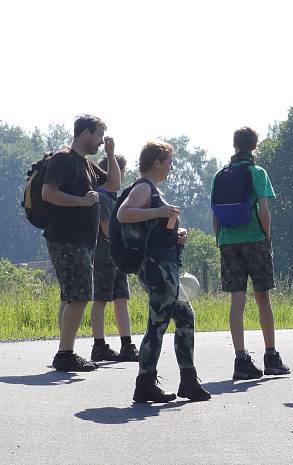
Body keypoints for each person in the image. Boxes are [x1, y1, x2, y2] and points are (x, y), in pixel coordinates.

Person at [118, 141, 210, 402]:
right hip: (157, 268)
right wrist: (160, 211)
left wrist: (175, 234)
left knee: (184, 317)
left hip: (165, 265)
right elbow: (124, 215)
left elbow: (154, 231)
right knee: (157, 324)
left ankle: (187, 380)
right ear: (156, 162)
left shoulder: (152, 189)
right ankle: (146, 383)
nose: (171, 166)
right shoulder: (143, 188)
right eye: (169, 161)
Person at [42, 114, 121, 372]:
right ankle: (65, 354)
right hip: (66, 238)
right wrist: (82, 201)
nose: (100, 141)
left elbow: (112, 183)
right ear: (85, 132)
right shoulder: (63, 158)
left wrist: (110, 155)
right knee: (79, 295)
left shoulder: (86, 163)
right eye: (99, 135)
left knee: (70, 295)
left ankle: (65, 348)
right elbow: (48, 193)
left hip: (82, 241)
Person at [213, 127, 290, 380]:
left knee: (237, 301)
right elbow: (264, 211)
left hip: (228, 241)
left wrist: (220, 241)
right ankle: (271, 356)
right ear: (254, 146)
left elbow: (216, 215)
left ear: (234, 146)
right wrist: (267, 236)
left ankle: (241, 358)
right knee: (262, 299)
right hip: (255, 239)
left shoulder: (220, 175)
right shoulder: (257, 172)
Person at [89, 155, 139, 363]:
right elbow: (106, 228)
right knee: (101, 298)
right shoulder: (102, 196)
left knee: (121, 299)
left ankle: (126, 344)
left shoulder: (113, 197)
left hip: (116, 256)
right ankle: (99, 345)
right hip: (104, 255)